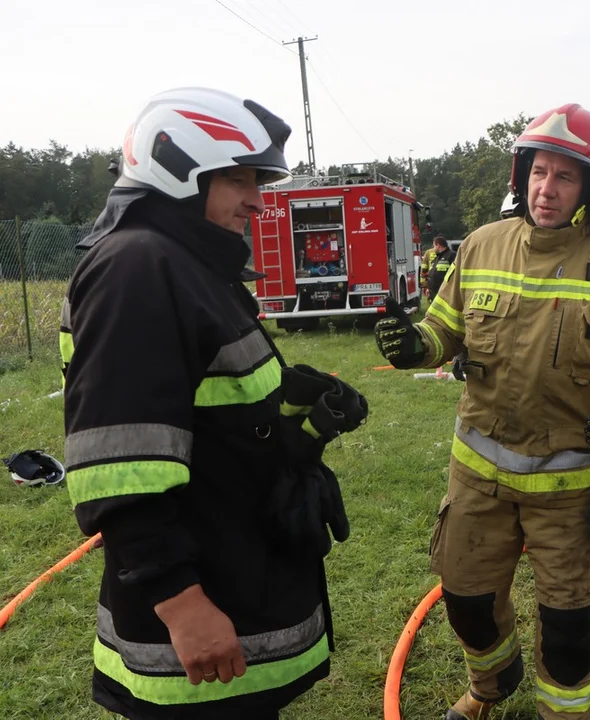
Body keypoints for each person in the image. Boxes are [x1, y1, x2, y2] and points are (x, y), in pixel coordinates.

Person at [59, 87, 366, 720]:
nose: (258, 199)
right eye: (239, 178)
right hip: (199, 612)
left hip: (235, 566)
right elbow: (121, 462)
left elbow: (208, 416)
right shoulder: (138, 269)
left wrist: (297, 425)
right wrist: (180, 602)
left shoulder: (185, 261)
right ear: (176, 166)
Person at [374, 103, 590, 720]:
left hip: (569, 493)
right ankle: (492, 683)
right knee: (465, 602)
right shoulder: (483, 245)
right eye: (539, 171)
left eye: (565, 176)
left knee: (566, 633)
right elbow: (443, 333)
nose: (547, 188)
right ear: (521, 174)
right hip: (477, 478)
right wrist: (414, 346)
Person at [427, 234, 456, 300]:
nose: (433, 248)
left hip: (445, 292)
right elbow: (433, 273)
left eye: (434, 245)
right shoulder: (437, 257)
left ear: (438, 245)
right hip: (434, 292)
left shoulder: (452, 255)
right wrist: (429, 288)